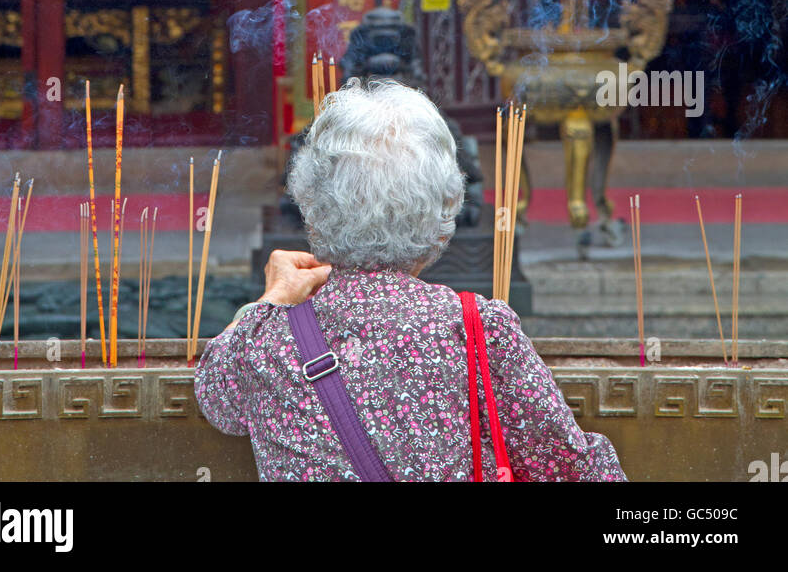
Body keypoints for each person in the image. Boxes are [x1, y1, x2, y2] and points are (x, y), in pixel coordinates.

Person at [195, 79, 627, 482]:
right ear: (446, 216)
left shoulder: (262, 342)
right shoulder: (480, 332)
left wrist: (272, 297)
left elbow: (214, 394)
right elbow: (578, 470)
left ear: (310, 206)